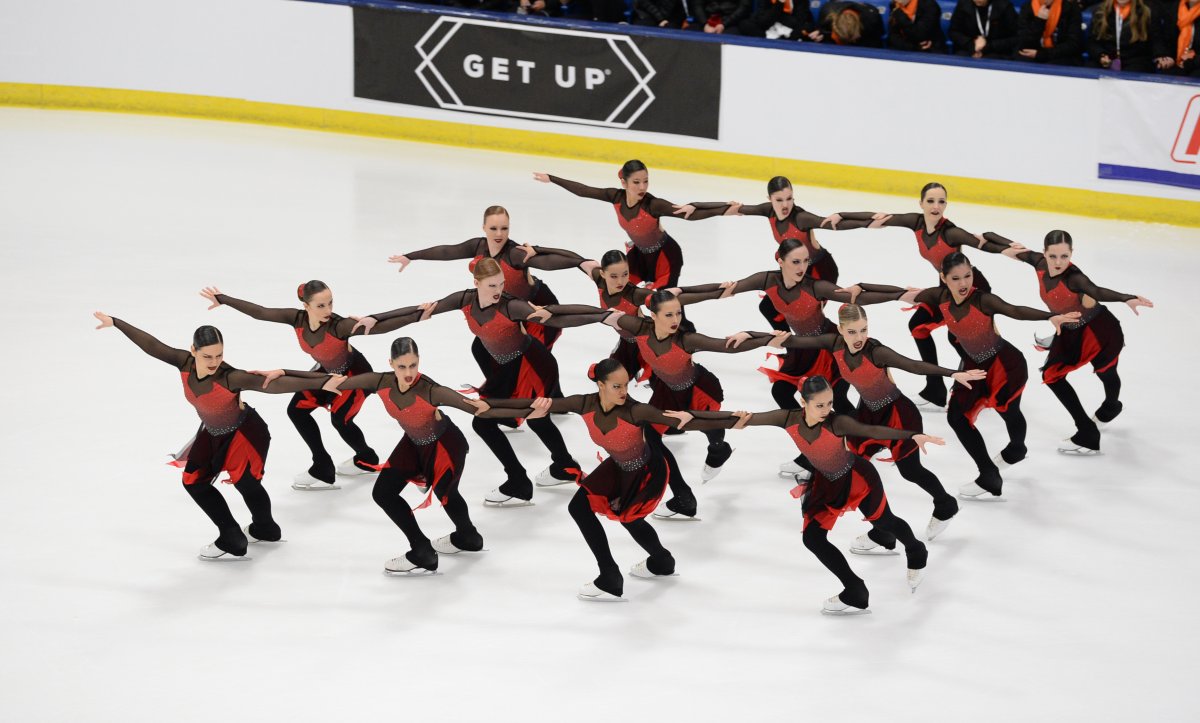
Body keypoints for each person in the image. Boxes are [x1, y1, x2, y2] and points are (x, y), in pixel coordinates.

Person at [355, 258, 606, 506]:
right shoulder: (464, 300)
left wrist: (601, 316)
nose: (498, 291)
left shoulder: (511, 306)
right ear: (477, 283)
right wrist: (375, 318)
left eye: (501, 284)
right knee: (505, 420)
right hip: (507, 368)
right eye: (492, 286)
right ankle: (558, 466)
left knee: (526, 420)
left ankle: (529, 477)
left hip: (531, 365)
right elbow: (421, 311)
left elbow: (554, 316)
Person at [94, 313, 345, 560]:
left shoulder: (229, 377)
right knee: (194, 481)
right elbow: (152, 345)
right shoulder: (183, 363)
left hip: (245, 433)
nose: (214, 361)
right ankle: (233, 534)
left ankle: (264, 529)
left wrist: (321, 382)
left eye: (219, 355)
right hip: (212, 432)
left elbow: (272, 385)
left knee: (246, 483)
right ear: (193, 350)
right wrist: (116, 322)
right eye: (207, 356)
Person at [496, 360, 743, 600]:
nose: (624, 391)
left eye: (626, 385)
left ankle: (649, 566)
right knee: (580, 508)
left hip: (646, 471)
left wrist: (736, 418)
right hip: (617, 466)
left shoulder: (636, 410)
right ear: (601, 385)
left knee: (630, 519)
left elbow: (687, 419)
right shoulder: (585, 403)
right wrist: (489, 406)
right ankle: (628, 570)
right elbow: (538, 404)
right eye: (617, 386)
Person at [770, 304, 986, 540]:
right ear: (841, 330)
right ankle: (883, 531)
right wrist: (757, 337)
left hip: (898, 414)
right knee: (854, 469)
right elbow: (796, 341)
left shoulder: (875, 352)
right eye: (852, 332)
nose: (860, 337)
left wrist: (951, 373)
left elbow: (912, 365)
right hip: (868, 413)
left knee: (911, 471)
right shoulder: (834, 343)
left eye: (864, 330)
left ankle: (945, 505)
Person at [732, 376, 943, 615]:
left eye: (830, 403)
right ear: (804, 402)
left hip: (857, 478)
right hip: (827, 483)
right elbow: (748, 418)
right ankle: (855, 590)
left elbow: (870, 429)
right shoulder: (787, 418)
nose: (826, 410)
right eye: (819, 405)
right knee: (812, 538)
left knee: (884, 521)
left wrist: (911, 435)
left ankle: (916, 549)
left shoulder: (837, 422)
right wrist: (691, 417)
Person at [199, 282, 423, 491]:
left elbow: (380, 328)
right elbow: (261, 312)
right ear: (306, 306)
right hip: (326, 374)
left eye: (331, 303)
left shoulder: (338, 326)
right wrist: (224, 299)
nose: (328, 309)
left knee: (340, 419)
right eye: (321, 305)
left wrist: (418, 314)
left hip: (354, 375)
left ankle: (366, 458)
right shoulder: (296, 319)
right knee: (296, 410)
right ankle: (322, 466)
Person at [335, 337, 532, 575]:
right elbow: (332, 382)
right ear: (391, 363)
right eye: (402, 366)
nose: (408, 372)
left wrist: (533, 407)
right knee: (383, 493)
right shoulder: (380, 382)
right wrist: (282, 374)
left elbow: (479, 407)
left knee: (446, 493)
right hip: (413, 442)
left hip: (444, 445)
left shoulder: (429, 390)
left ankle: (468, 536)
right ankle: (422, 549)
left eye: (413, 365)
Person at [823, 182, 1015, 409]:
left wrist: (1011, 247)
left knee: (967, 338)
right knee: (921, 327)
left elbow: (980, 241)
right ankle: (936, 387)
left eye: (941, 201)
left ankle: (988, 383)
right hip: (946, 289)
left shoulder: (950, 232)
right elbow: (877, 220)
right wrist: (840, 215)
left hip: (969, 289)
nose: (936, 206)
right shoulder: (915, 222)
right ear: (921, 203)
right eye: (931, 201)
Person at [903, 253, 1079, 498]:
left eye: (968, 276)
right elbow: (896, 293)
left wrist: (1049, 316)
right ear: (944, 279)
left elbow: (1014, 310)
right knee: (957, 417)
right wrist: (856, 290)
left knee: (1009, 410)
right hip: (975, 368)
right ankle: (989, 473)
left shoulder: (982, 300)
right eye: (956, 278)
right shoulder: (938, 298)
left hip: (1004, 365)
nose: (963, 283)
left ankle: (1016, 449)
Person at [599, 290, 782, 517]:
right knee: (650, 436)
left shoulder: (685, 340)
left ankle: (718, 449)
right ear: (653, 315)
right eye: (668, 315)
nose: (675, 320)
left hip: (698, 390)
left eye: (678, 313)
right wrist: (546, 312)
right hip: (667, 392)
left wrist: (760, 336)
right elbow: (596, 314)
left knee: (708, 427)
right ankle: (684, 497)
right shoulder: (639, 328)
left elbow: (725, 345)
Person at [988, 230, 1152, 454]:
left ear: (1071, 254)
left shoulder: (1075, 278)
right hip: (1071, 331)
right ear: (1044, 253)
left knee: (1106, 371)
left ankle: (1111, 405)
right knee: (1052, 376)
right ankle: (1087, 430)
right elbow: (1016, 251)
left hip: (1098, 330)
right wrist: (991, 239)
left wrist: (1126, 298)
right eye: (1053, 256)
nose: (1058, 262)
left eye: (1064, 256)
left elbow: (1095, 290)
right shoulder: (1038, 262)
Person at [386, 205, 592, 350]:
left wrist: (580, 262)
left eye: (504, 228)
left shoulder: (515, 253)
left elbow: (548, 263)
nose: (499, 233)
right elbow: (447, 252)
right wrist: (410, 257)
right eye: (493, 228)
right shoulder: (478, 246)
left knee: (528, 358)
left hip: (536, 305)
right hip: (508, 309)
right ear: (484, 228)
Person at [533, 162, 738, 290]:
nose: (642, 187)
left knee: (667, 303)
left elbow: (688, 214)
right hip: (639, 255)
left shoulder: (652, 204)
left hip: (665, 256)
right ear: (624, 183)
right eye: (636, 182)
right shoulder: (615, 197)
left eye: (646, 181)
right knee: (621, 289)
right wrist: (551, 178)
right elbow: (583, 190)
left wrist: (724, 209)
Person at [584, 249, 727, 381]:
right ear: (603, 273)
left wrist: (715, 293)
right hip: (627, 342)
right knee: (603, 377)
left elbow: (672, 300)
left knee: (664, 378)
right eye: (614, 276)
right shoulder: (599, 280)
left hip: (647, 341)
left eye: (625, 274)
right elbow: (575, 260)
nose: (620, 281)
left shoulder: (634, 294)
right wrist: (584, 263)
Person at [734, 176, 843, 333]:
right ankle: (791, 346)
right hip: (797, 269)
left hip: (820, 271)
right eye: (779, 200)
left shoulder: (800, 218)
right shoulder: (770, 212)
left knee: (809, 321)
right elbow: (735, 208)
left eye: (789, 198)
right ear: (770, 199)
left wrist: (874, 220)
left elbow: (831, 223)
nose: (785, 204)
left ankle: (813, 350)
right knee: (768, 307)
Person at [1089, 0, 1174, 72]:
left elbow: (1156, 38)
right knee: (1091, 69)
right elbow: (1093, 41)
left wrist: (1161, 55)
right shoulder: (1100, 11)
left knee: (1137, 69)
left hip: (1136, 60)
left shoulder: (1146, 11)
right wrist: (1101, 55)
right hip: (1108, 58)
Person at [1015, 0, 1086, 64]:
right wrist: (1039, 21)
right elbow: (1024, 42)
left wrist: (1042, 54)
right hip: (1033, 53)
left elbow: (1073, 44)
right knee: (1021, 61)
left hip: (1061, 56)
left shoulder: (1070, 8)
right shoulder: (1027, 7)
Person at [949, 0, 1020, 57]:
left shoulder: (1005, 7)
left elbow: (1015, 37)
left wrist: (988, 46)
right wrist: (971, 45)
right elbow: (954, 32)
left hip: (996, 51)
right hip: (968, 49)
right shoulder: (963, 4)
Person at [737, 0, 819, 39]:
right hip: (766, 29)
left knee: (805, 29)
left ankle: (778, 39)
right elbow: (763, 22)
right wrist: (779, 3)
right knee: (745, 25)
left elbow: (799, 21)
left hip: (790, 29)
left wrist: (780, 18)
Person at [815, 1, 886, 46]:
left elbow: (876, 41)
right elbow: (823, 32)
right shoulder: (827, 12)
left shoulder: (872, 18)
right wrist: (819, 35)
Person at [1168, 0, 1200, 75]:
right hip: (1178, 62)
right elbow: (1164, 38)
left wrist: (1194, 59)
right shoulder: (1174, 8)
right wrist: (1165, 55)